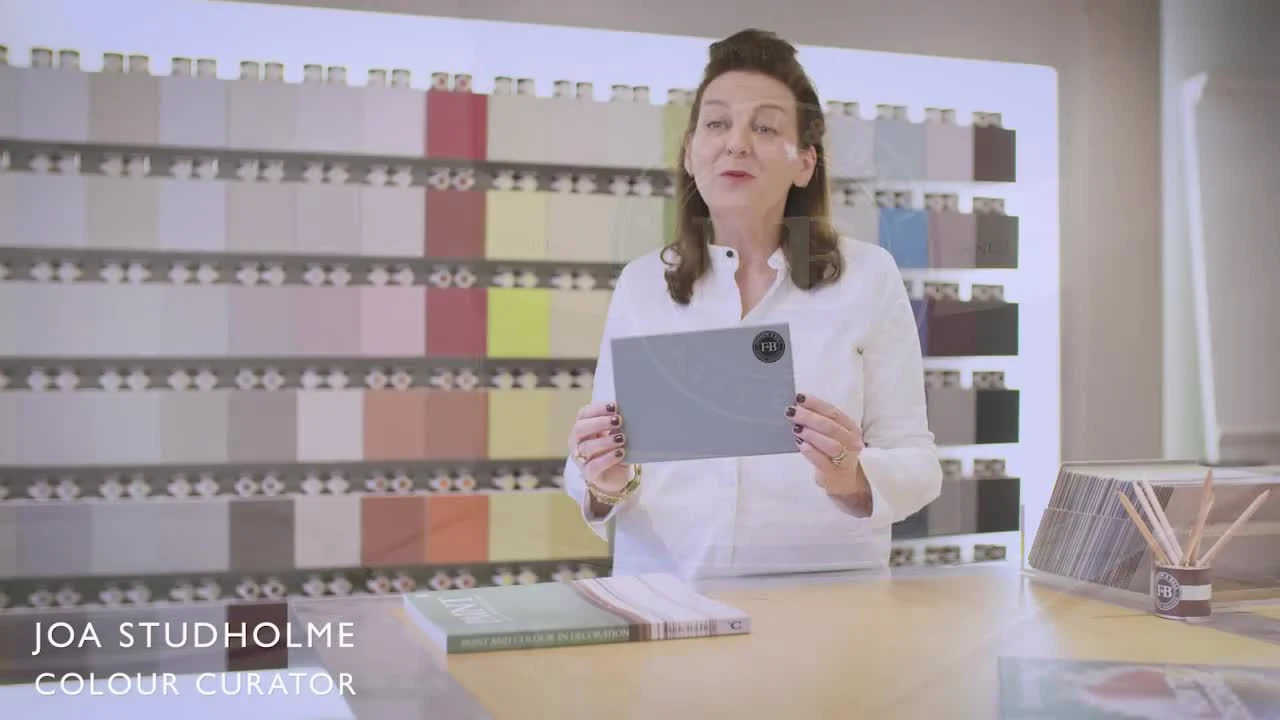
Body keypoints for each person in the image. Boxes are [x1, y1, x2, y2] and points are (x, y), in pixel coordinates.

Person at [561, 28, 942, 581]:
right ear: (690, 152)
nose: (736, 143)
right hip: (666, 603)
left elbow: (917, 463)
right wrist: (603, 479)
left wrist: (852, 478)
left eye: (765, 127)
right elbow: (597, 469)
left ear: (805, 162)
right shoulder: (643, 284)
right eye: (717, 123)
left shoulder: (869, 277)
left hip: (827, 611)